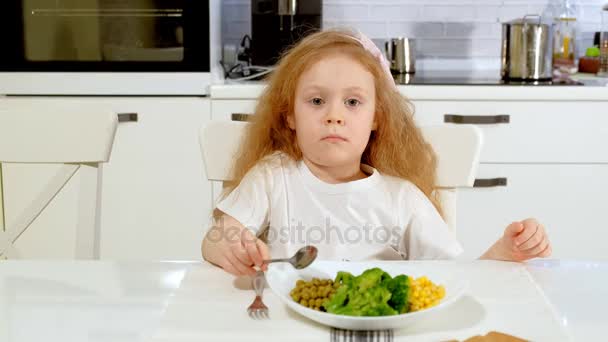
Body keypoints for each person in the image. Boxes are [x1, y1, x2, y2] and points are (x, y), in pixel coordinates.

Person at [202, 29, 551, 276]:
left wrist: (504, 254)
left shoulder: (400, 197)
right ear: (290, 115)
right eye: (316, 101)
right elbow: (216, 238)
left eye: (353, 102)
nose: (334, 115)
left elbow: (455, 274)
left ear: (376, 118)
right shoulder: (272, 176)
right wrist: (232, 247)